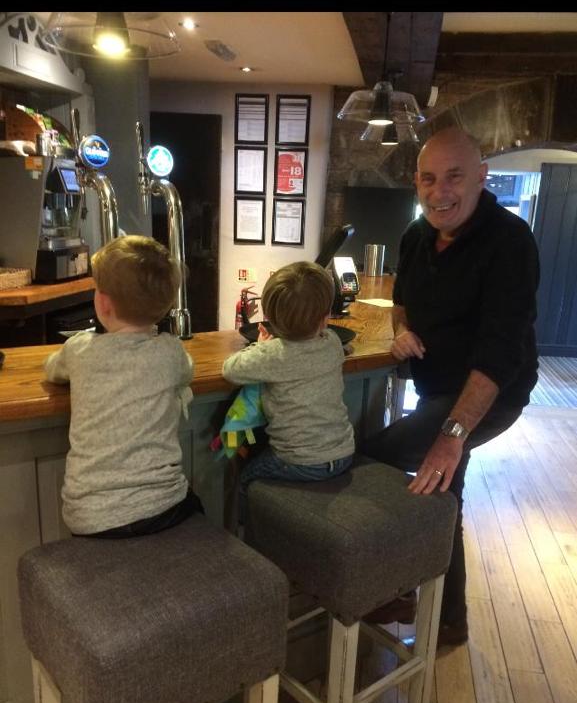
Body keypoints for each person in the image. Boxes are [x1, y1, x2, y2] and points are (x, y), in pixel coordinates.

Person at [362, 127, 540, 646]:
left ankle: (394, 589)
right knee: (446, 495)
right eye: (428, 179)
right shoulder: (417, 236)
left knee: (375, 458)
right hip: (438, 388)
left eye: (454, 177)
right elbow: (400, 301)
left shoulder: (510, 241)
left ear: (482, 177)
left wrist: (452, 435)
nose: (440, 192)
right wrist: (401, 331)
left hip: (492, 395)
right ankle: (446, 619)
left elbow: (500, 352)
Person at [45, 234, 202, 537]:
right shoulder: (170, 351)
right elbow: (188, 372)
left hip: (89, 517)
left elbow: (52, 370)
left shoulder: (80, 350)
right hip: (163, 506)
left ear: (102, 303)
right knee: (196, 506)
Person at [222, 261, 355, 500]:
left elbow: (230, 369)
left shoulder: (274, 353)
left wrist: (260, 345)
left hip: (299, 461)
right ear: (326, 317)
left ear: (269, 316)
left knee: (245, 477)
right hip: (344, 454)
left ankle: (243, 531)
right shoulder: (333, 342)